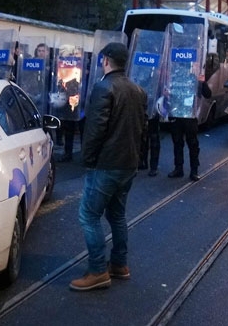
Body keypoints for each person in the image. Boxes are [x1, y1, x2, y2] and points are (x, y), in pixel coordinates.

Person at [70, 42, 146, 291]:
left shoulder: (104, 87)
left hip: (106, 164)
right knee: (117, 215)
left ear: (105, 61)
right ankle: (119, 265)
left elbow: (95, 130)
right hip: (128, 163)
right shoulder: (138, 90)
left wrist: (88, 160)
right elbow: (140, 129)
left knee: (89, 215)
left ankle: (97, 270)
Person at [167, 81, 211, 181]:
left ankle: (193, 170)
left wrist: (202, 83)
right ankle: (179, 168)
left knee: (192, 144)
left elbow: (208, 94)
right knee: (178, 142)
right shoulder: (174, 78)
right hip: (177, 114)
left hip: (189, 115)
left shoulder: (194, 79)